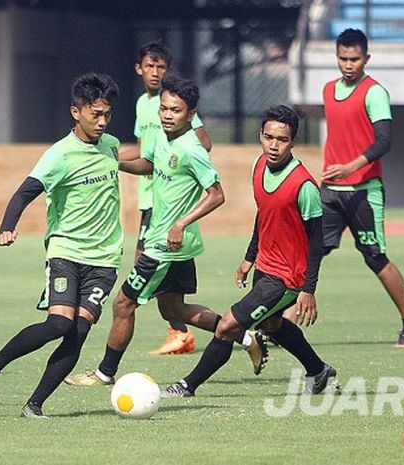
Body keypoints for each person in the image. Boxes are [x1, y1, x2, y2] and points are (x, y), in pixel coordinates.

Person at [65, 74, 267, 387]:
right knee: (174, 308)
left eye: (175, 110)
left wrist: (180, 223)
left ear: (191, 114)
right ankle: (244, 336)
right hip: (174, 244)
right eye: (164, 108)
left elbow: (217, 194)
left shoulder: (193, 149)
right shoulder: (162, 135)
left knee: (123, 304)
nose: (168, 115)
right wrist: (114, 162)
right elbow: (149, 164)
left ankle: (104, 373)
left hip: (166, 244)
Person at [0, 73, 122, 418]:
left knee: (79, 331)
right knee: (58, 325)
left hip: (105, 258)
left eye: (107, 115)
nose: (101, 122)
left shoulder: (111, 145)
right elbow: (25, 191)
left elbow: (126, 164)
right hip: (66, 252)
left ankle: (34, 404)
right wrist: (7, 227)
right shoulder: (60, 155)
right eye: (95, 114)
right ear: (75, 112)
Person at [162, 105, 339, 398]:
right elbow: (264, 216)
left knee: (228, 326)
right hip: (265, 265)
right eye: (268, 137)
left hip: (287, 278)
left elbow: (317, 242)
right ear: (261, 136)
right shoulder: (259, 166)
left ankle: (187, 385)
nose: (273, 145)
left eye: (281, 140)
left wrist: (308, 289)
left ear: (293, 141)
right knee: (271, 324)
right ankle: (319, 372)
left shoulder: (303, 186)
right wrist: (249, 257)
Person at [320, 28, 404, 348]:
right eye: (342, 58)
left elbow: (384, 142)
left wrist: (350, 166)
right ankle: (283, 324)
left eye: (355, 58)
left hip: (365, 191)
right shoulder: (327, 90)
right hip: (330, 192)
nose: (348, 64)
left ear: (366, 58)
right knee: (310, 253)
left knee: (375, 257)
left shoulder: (374, 92)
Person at [127, 41, 212, 355]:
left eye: (161, 67)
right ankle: (189, 328)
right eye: (149, 66)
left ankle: (179, 331)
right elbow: (140, 150)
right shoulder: (142, 104)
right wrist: (108, 158)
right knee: (158, 284)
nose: (155, 72)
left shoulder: (177, 107)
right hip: (150, 196)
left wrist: (175, 169)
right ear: (139, 68)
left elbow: (204, 144)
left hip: (169, 203)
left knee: (134, 285)